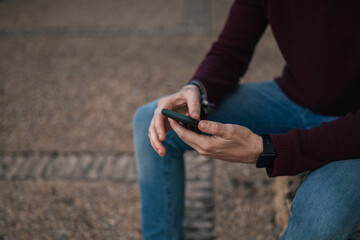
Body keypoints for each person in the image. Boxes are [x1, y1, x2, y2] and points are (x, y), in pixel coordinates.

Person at [133, 0, 360, 239]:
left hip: (353, 131)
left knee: (320, 221)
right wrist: (197, 90)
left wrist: (269, 150)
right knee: (149, 120)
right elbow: (230, 50)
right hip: (294, 98)